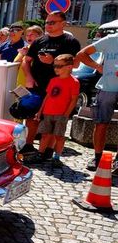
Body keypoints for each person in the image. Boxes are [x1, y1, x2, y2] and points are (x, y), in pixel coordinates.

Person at [22, 11, 81, 153]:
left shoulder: (70, 41)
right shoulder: (39, 41)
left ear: (63, 23)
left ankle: (48, 151)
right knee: (32, 116)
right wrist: (29, 77)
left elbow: (76, 64)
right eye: (47, 22)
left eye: (52, 22)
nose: (48, 25)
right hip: (37, 84)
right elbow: (26, 61)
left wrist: (52, 61)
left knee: (54, 118)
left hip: (59, 87)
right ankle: (28, 145)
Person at [26, 54, 80, 167]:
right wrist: (40, 111)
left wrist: (66, 114)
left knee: (59, 136)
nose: (56, 69)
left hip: (61, 114)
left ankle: (56, 157)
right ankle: (40, 154)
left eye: (59, 66)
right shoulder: (53, 80)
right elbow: (47, 96)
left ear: (70, 67)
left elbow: (74, 100)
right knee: (45, 134)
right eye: (55, 66)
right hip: (48, 112)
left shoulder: (74, 82)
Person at [76, 32, 118, 171]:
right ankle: (97, 157)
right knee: (101, 124)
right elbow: (82, 54)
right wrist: (99, 67)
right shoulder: (111, 39)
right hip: (107, 87)